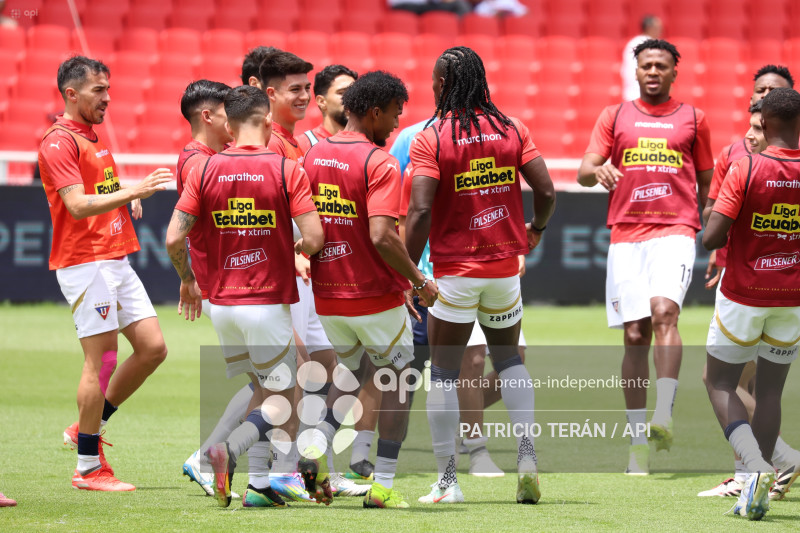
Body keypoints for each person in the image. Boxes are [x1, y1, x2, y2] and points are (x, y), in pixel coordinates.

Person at [405, 46, 555, 504]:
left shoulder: (432, 137)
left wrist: (409, 274)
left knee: (444, 375)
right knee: (509, 361)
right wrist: (536, 228)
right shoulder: (512, 129)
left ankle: (448, 481)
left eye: (434, 82)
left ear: (443, 85)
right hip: (505, 272)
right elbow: (546, 191)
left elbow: (420, 211)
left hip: (455, 273)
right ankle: (526, 458)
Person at [165, 85, 324, 508]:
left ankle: (259, 486)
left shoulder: (204, 169)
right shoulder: (287, 169)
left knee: (262, 389)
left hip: (222, 305)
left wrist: (187, 278)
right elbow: (314, 237)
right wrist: (294, 247)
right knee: (284, 397)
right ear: (268, 120)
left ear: (230, 124)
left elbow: (173, 238)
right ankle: (226, 450)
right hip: (265, 303)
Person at [297, 70, 438, 509]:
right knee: (398, 379)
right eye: (395, 114)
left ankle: (315, 446)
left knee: (353, 371)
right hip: (373, 295)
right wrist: (417, 280)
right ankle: (383, 487)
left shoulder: (313, 155)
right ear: (375, 112)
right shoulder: (380, 162)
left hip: (328, 297)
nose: (397, 123)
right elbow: (381, 235)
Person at [577, 39, 714, 475]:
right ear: (635, 71)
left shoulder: (695, 118)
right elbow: (584, 171)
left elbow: (709, 185)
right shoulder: (614, 115)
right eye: (646, 65)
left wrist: (717, 240)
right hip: (626, 236)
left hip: (675, 231)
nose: (653, 71)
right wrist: (597, 169)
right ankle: (637, 443)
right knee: (635, 335)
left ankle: (664, 415)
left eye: (661, 65)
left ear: (675, 72)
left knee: (664, 314)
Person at [39, 56, 173, 491]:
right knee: (102, 361)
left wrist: (122, 194)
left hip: (114, 258)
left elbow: (97, 190)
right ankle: (87, 468)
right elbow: (77, 205)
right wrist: (133, 189)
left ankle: (87, 427)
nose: (108, 97)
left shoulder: (92, 137)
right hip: (85, 262)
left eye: (108, 89)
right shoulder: (59, 142)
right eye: (98, 90)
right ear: (71, 93)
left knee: (152, 348)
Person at [699, 71, 800, 500]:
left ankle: (754, 468)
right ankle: (762, 479)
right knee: (771, 391)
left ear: (765, 122)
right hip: (792, 297)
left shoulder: (747, 166)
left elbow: (712, 238)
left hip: (744, 293)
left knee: (718, 382)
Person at [170, 79, 251, 498]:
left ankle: (225, 460)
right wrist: (188, 279)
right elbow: (177, 234)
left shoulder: (204, 159)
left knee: (271, 379)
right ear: (207, 115)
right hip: (229, 288)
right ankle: (213, 456)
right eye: (226, 112)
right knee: (284, 376)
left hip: (230, 285)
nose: (233, 119)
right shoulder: (198, 164)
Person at [704, 65, 795, 291]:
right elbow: (712, 214)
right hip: (737, 268)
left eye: (774, 90)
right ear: (751, 98)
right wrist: (720, 249)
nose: (766, 95)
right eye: (761, 90)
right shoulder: (731, 154)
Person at [296, 64, 358, 154]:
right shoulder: (302, 146)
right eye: (342, 93)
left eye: (355, 93)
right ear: (321, 101)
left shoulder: (367, 145)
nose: (352, 99)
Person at [621, 15, 663, 102]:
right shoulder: (651, 45)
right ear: (649, 28)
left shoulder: (632, 43)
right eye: (658, 28)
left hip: (631, 94)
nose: (660, 31)